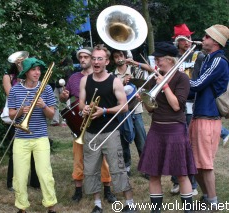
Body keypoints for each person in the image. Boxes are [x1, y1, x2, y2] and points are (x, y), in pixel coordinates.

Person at [138, 42, 197, 213]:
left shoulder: (182, 78)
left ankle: (188, 210)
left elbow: (177, 105)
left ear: (170, 59)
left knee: (181, 173)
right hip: (156, 129)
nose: (156, 63)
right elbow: (151, 109)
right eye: (155, 59)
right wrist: (144, 99)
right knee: (153, 173)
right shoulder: (154, 77)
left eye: (159, 59)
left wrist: (164, 85)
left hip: (175, 129)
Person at [79, 44, 135, 213]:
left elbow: (124, 106)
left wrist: (104, 110)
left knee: (117, 167)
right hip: (90, 132)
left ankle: (130, 204)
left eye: (99, 59)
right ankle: (97, 205)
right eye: (94, 58)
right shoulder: (85, 80)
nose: (96, 62)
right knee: (90, 170)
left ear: (106, 61)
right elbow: (81, 103)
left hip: (110, 131)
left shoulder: (114, 80)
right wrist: (85, 109)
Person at [59, 47, 117, 204]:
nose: (83, 60)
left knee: (103, 158)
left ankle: (107, 190)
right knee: (78, 157)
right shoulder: (73, 78)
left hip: (98, 121)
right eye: (81, 57)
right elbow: (65, 100)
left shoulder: (102, 77)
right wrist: (63, 97)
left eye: (86, 57)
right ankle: (78, 190)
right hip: (79, 121)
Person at [8, 57, 57, 213]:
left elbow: (51, 115)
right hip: (21, 138)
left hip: (41, 136)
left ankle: (51, 206)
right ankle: (21, 207)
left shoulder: (46, 88)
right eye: (34, 70)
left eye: (39, 70)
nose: (37, 73)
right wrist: (21, 111)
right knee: (19, 177)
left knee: (45, 174)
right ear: (26, 72)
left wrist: (43, 106)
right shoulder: (15, 89)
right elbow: (10, 115)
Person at [189, 24, 229, 208]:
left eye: (206, 36)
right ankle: (207, 198)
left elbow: (196, 84)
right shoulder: (207, 59)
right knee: (194, 164)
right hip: (199, 115)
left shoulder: (218, 61)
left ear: (215, 42)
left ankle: (212, 203)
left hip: (208, 117)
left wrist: (177, 78)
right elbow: (195, 89)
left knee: (205, 164)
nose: (202, 39)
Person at [170, 23, 205, 196]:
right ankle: (176, 181)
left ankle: (192, 183)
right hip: (175, 106)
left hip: (192, 104)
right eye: (184, 39)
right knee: (176, 144)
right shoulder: (173, 58)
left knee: (189, 145)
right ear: (178, 42)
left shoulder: (198, 56)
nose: (188, 42)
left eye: (189, 38)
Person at [2, 60, 40, 191]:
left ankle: (35, 181)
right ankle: (12, 182)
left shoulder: (32, 78)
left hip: (33, 116)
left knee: (36, 150)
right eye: (19, 62)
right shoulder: (9, 77)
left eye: (24, 62)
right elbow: (11, 94)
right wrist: (21, 79)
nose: (21, 63)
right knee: (15, 152)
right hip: (16, 116)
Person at [111, 49, 148, 178]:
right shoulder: (112, 76)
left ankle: (145, 167)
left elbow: (149, 73)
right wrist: (121, 83)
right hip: (122, 111)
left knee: (141, 139)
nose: (119, 58)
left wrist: (134, 63)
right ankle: (126, 166)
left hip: (136, 110)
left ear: (125, 56)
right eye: (116, 57)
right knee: (123, 140)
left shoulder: (134, 70)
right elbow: (111, 94)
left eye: (120, 55)